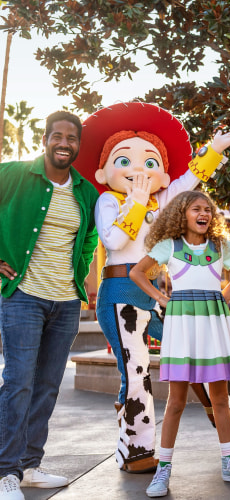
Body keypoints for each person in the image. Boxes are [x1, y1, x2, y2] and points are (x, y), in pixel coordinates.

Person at [74, 102, 230, 473]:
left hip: (156, 293)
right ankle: (136, 449)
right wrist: (134, 203)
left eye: (149, 163)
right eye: (126, 161)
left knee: (190, 347)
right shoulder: (109, 200)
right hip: (122, 292)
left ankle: (224, 405)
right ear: (105, 172)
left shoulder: (161, 200)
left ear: (161, 176)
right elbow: (114, 241)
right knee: (136, 371)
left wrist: (213, 151)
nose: (138, 170)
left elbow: (188, 184)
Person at [130, 190, 230, 497]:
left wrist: (224, 294)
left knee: (219, 399)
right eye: (196, 209)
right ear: (182, 214)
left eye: (208, 209)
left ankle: (229, 462)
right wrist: (162, 298)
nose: (204, 213)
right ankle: (163, 470)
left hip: (213, 324)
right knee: (176, 401)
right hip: (184, 325)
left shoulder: (219, 246)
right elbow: (137, 272)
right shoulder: (169, 246)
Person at [0, 111, 99, 500]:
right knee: (18, 383)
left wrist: (81, 275)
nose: (64, 143)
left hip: (65, 302)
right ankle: (5, 471)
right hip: (23, 296)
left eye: (71, 138)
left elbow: (89, 238)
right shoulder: (13, 175)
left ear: (77, 145)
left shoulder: (86, 192)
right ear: (44, 139)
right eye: (56, 135)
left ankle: (29, 464)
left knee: (47, 386)